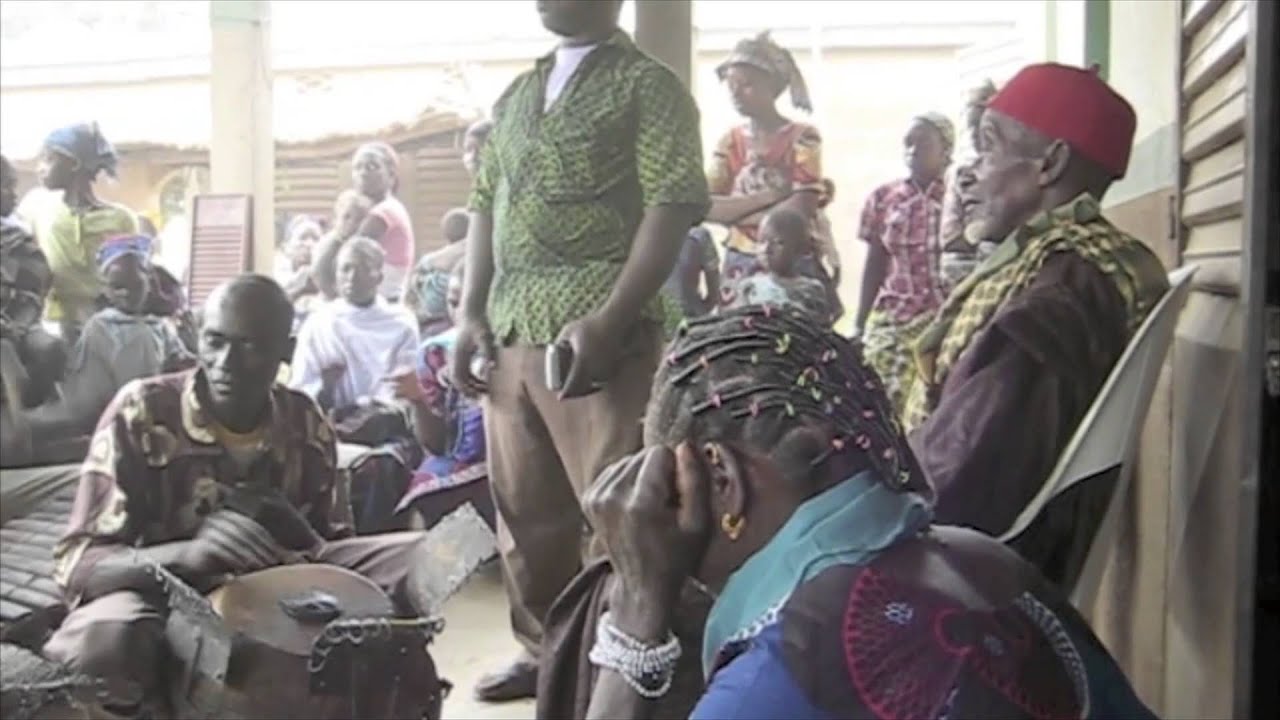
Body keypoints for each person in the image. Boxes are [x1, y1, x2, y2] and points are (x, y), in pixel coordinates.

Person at [567, 305, 1156, 720]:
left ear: (720, 480)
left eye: (660, 481)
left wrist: (634, 618)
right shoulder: (986, 558)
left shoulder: (784, 671)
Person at [450, 0, 709, 701]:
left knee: (615, 512)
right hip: (511, 332)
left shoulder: (647, 87)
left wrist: (612, 316)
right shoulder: (517, 94)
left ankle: (614, 663)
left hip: (601, 340)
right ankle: (543, 653)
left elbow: (674, 204)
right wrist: (470, 312)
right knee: (526, 515)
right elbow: (484, 203)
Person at [40, 274, 444, 717]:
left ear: (282, 352)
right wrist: (189, 555)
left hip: (277, 587)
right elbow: (77, 563)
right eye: (215, 341)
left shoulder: (305, 422)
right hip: (159, 590)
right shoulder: (143, 412)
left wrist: (298, 530)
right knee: (101, 645)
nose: (226, 362)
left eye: (249, 346)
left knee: (431, 558)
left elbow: (333, 556)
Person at [903, 64, 1170, 588]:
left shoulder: (1064, 289)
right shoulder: (1082, 265)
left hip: (963, 575)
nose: (970, 170)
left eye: (989, 145)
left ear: (1050, 162)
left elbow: (956, 482)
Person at [6, 235, 196, 464]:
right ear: (105, 290)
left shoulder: (159, 326)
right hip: (100, 401)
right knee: (43, 426)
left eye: (134, 285)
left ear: (149, 281)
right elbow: (90, 384)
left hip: (145, 399)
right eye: (118, 287)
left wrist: (190, 342)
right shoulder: (101, 325)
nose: (126, 293)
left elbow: (179, 361)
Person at [854, 112, 955, 415]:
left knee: (935, 396)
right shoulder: (884, 198)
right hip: (896, 315)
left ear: (946, 150)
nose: (912, 152)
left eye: (923, 144)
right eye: (907, 144)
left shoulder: (958, 199)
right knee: (882, 394)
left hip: (944, 315)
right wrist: (859, 322)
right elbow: (875, 263)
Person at [705, 31, 824, 286]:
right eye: (731, 84)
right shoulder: (730, 142)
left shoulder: (803, 138)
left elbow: (802, 207)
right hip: (739, 262)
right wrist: (768, 198)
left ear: (772, 87)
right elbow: (705, 206)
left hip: (791, 261)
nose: (736, 93)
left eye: (747, 84)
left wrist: (735, 214)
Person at [390, 260, 493, 530]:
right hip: (455, 463)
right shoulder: (435, 354)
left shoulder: (515, 354)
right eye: (453, 302)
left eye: (472, 303)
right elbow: (437, 445)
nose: (462, 314)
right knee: (426, 500)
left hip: (508, 463)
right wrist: (417, 400)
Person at [18, 123, 139, 345]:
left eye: (49, 159)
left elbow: (133, 277)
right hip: (59, 322)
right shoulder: (37, 206)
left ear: (73, 164)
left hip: (110, 324)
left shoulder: (121, 218)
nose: (40, 168)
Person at [290, 237, 419, 414]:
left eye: (363, 269)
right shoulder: (319, 323)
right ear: (336, 275)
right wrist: (325, 389)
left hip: (385, 421)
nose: (352, 277)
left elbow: (404, 386)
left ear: (379, 277)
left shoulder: (401, 323)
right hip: (329, 419)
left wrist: (374, 409)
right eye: (345, 269)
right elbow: (302, 387)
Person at [1, 153, 65, 408]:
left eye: (13, 185)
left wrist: (16, 327)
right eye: (4, 186)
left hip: (18, 323)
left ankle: (32, 416)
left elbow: (33, 292)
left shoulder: (18, 238)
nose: (13, 194)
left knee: (50, 349)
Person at [314, 144, 415, 302]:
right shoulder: (364, 211)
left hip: (379, 304)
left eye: (372, 166)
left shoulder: (385, 212)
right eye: (357, 167)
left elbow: (340, 264)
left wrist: (337, 236)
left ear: (391, 175)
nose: (363, 172)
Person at [939, 80, 1001, 291]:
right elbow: (949, 239)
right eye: (972, 125)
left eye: (984, 126)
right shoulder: (962, 173)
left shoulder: (1017, 171)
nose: (976, 133)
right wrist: (977, 233)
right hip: (968, 278)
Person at [722, 207, 833, 323]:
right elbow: (738, 327)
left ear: (802, 248)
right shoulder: (749, 288)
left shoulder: (811, 291)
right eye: (762, 241)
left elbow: (821, 330)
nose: (766, 249)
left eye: (778, 243)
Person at [404, 208, 470, 337]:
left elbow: (410, 298)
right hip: (455, 324)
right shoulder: (473, 254)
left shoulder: (427, 262)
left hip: (427, 324)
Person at [310, 189, 374, 302]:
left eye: (359, 219)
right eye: (346, 217)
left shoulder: (363, 244)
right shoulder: (328, 244)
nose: (352, 223)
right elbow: (319, 275)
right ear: (335, 219)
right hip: (330, 300)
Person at [662, 226, 720, 322]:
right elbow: (714, 278)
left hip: (654, 320)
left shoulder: (640, 232)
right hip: (690, 315)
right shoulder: (699, 234)